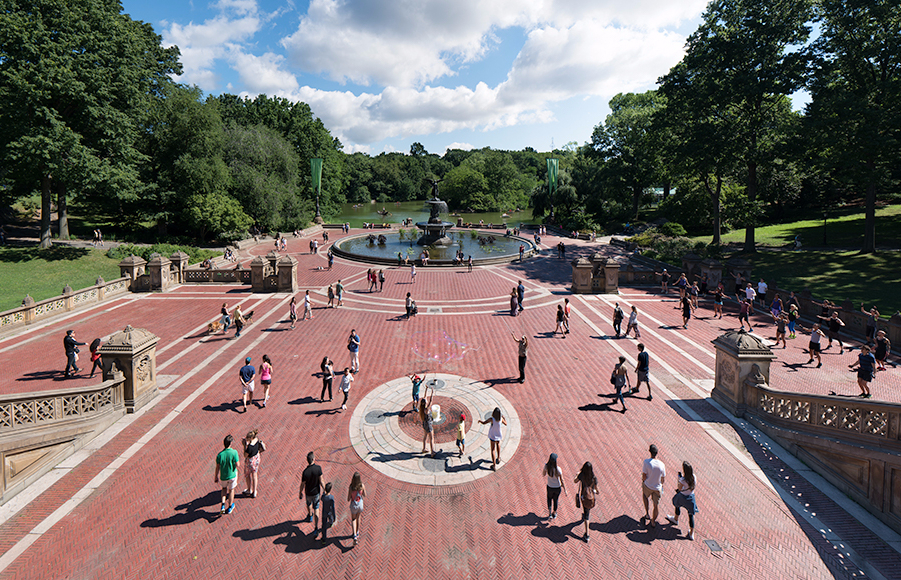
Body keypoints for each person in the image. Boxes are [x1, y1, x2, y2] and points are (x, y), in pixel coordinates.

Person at [666, 461, 698, 540]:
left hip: (682, 497)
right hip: (691, 498)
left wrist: (679, 479)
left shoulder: (683, 479)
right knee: (690, 515)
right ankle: (691, 533)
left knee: (677, 505)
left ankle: (675, 519)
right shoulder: (694, 477)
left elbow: (680, 489)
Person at [214, 434, 240, 515]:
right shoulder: (234, 452)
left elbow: (217, 467)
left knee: (224, 489)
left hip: (223, 476)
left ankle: (222, 504)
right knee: (231, 490)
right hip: (232, 475)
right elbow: (238, 464)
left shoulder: (220, 455)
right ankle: (230, 507)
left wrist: (216, 476)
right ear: (230, 443)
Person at [641, 444, 666, 528]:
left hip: (648, 485)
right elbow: (663, 479)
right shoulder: (662, 464)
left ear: (650, 452)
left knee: (645, 496)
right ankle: (653, 521)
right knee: (656, 505)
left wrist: (644, 481)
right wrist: (661, 485)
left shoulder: (646, 462)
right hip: (657, 487)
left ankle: (647, 513)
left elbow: (644, 475)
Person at [300, 451, 323, 537]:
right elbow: (321, 481)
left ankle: (310, 516)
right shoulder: (318, 468)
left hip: (308, 492)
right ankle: (316, 527)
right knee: (316, 508)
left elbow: (302, 484)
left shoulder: (305, 472)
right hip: (316, 492)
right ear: (313, 459)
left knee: (309, 504)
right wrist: (324, 489)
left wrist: (300, 493)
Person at [574, 462, 598, 542]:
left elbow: (575, 481)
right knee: (587, 511)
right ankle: (585, 516)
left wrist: (577, 475)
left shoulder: (582, 475)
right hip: (590, 497)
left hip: (584, 497)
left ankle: (587, 534)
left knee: (586, 516)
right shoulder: (593, 477)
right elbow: (596, 489)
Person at [241, 428, 266, 498]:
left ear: (251, 437)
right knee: (254, 475)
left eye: (248, 438)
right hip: (256, 458)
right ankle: (255, 491)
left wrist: (244, 446)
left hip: (250, 461)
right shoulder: (257, 439)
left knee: (247, 475)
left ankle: (249, 489)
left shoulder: (249, 447)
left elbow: (245, 455)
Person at [542, 453, 566, 521]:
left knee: (549, 499)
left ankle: (549, 513)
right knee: (556, 500)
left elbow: (543, 474)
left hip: (550, 486)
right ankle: (554, 513)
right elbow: (562, 480)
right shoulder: (558, 469)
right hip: (557, 487)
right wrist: (565, 489)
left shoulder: (546, 467)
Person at [348, 472, 367, 546]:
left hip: (354, 505)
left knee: (353, 519)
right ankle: (357, 531)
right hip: (360, 504)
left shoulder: (351, 487)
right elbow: (365, 495)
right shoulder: (362, 486)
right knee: (358, 517)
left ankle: (354, 534)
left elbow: (348, 498)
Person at [418, 385, 436, 456]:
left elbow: (424, 397)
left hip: (424, 424)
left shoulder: (421, 408)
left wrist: (426, 389)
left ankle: (424, 448)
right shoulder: (426, 409)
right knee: (431, 438)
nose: (427, 399)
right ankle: (432, 452)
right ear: (425, 403)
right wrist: (432, 392)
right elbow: (431, 400)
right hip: (428, 425)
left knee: (425, 436)